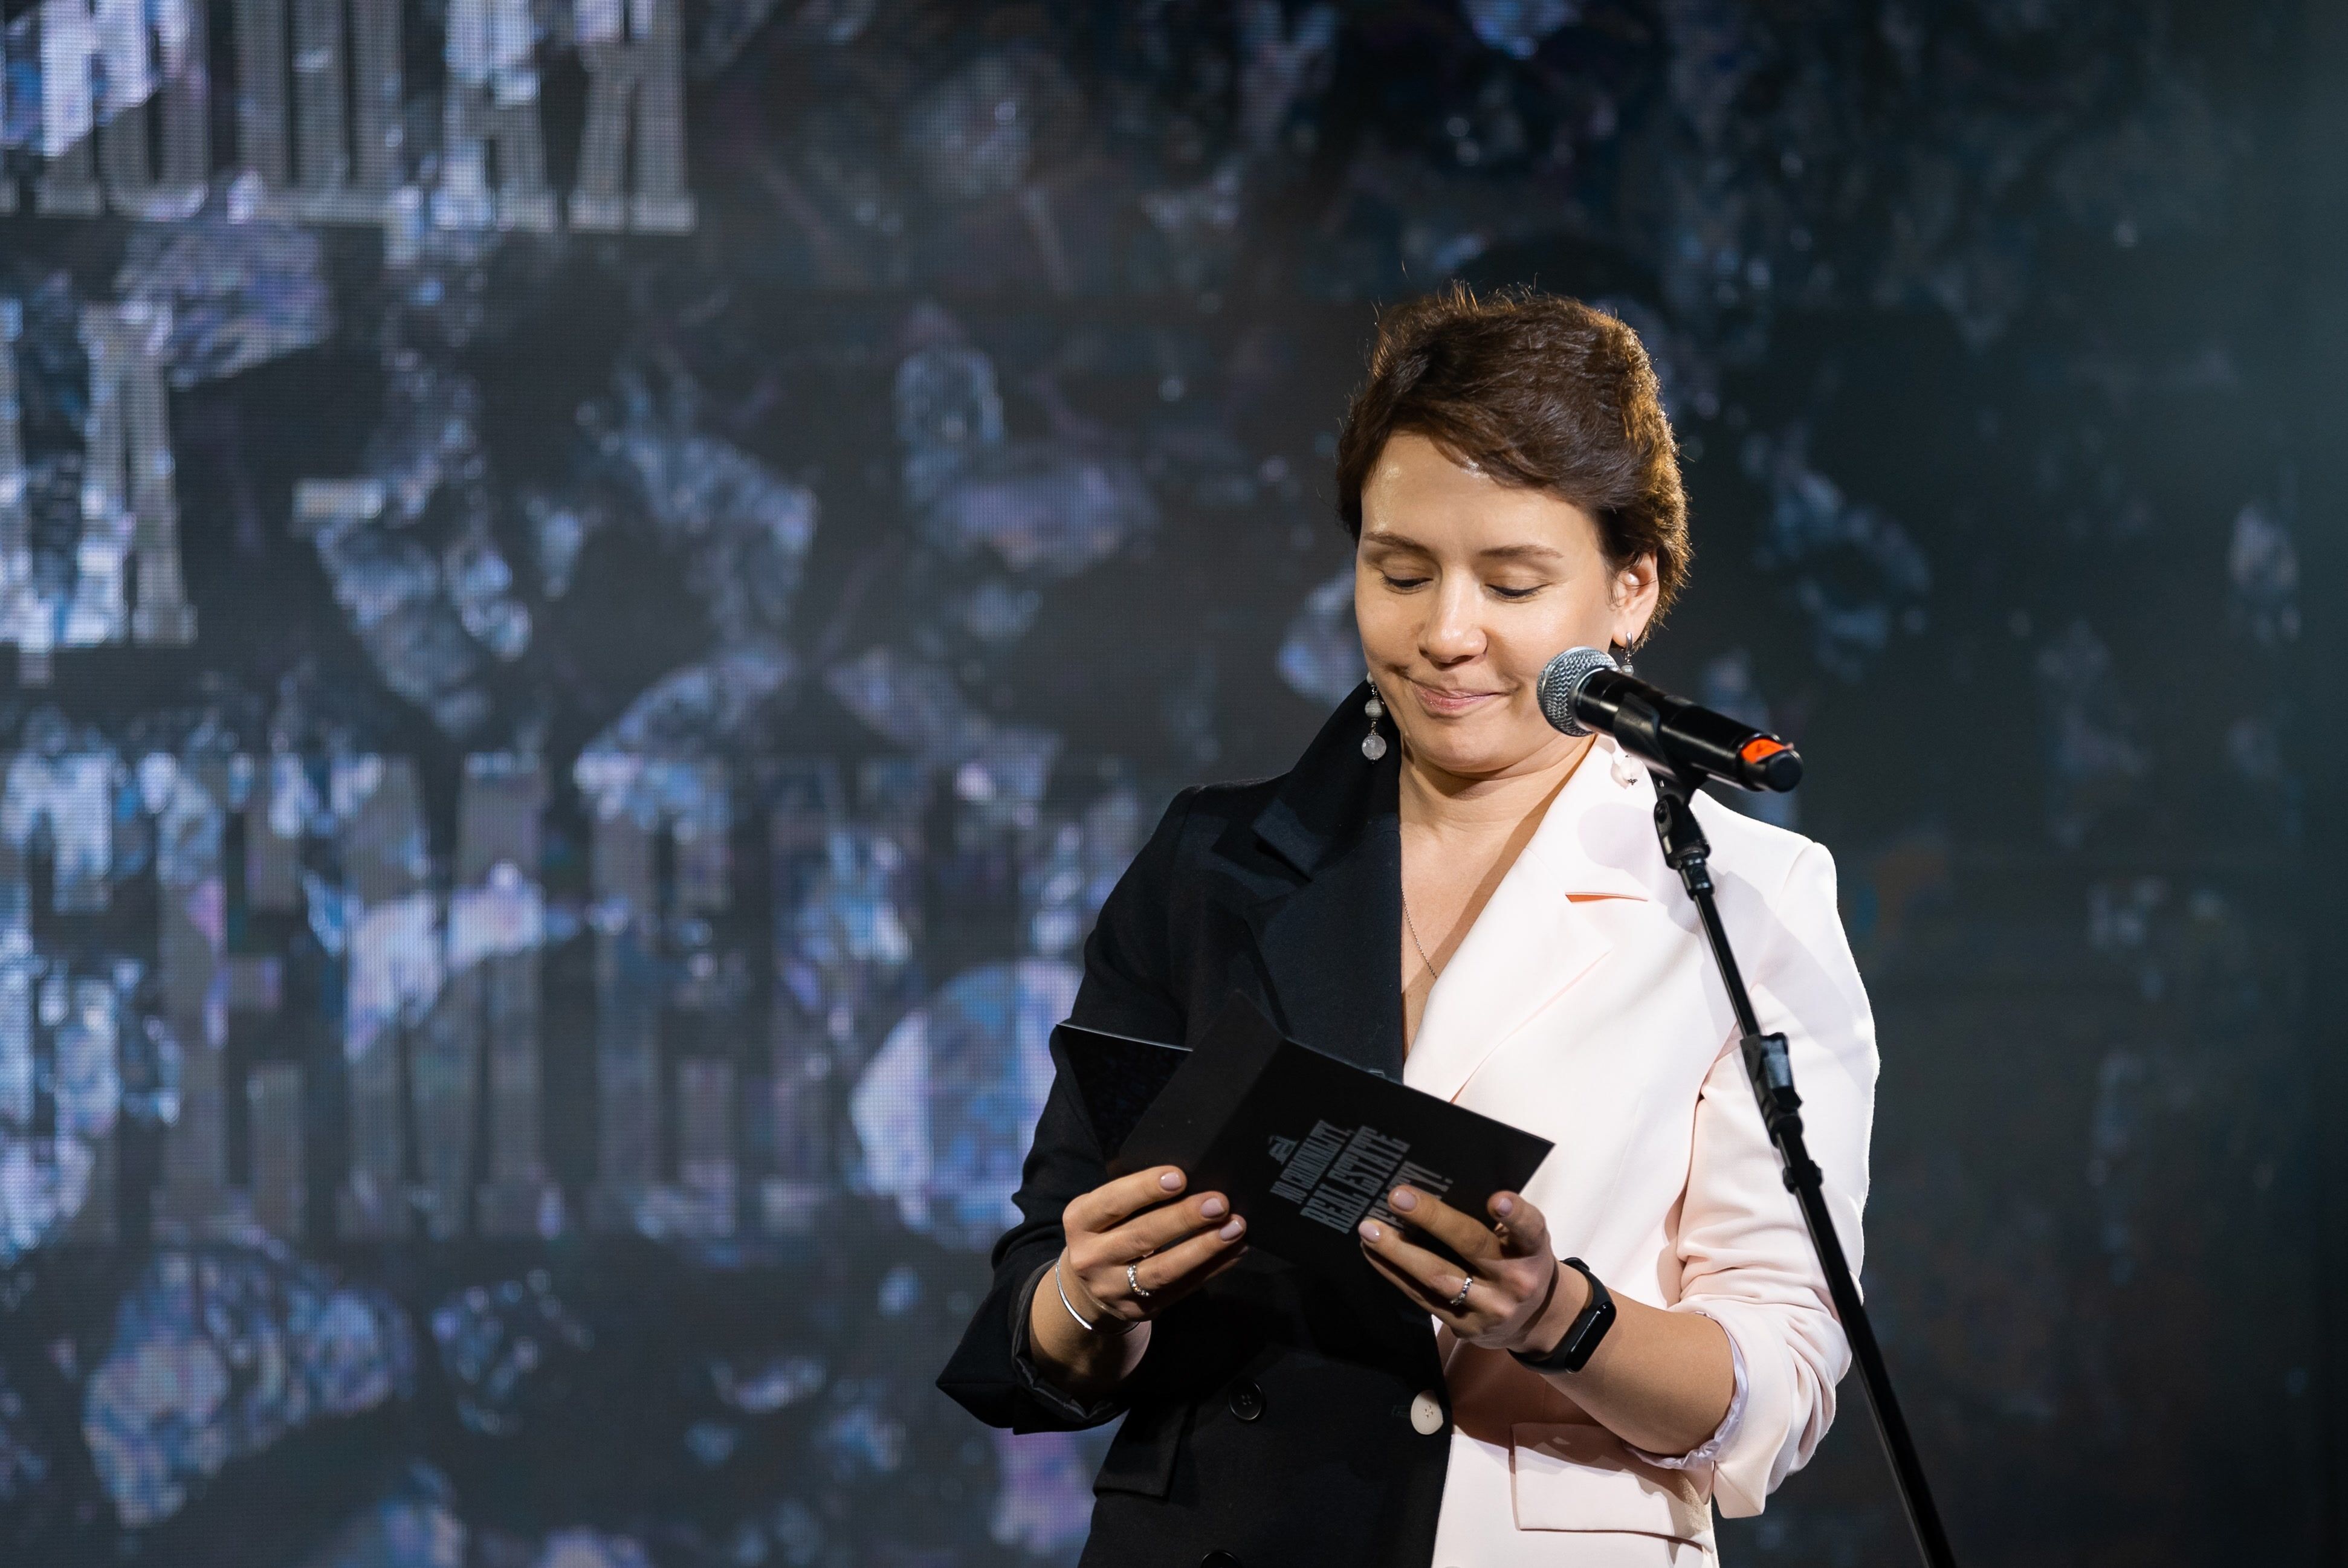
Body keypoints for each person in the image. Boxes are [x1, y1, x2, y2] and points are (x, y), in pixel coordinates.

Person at [938, 286, 1878, 1567]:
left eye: (1512, 582)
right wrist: (1085, 1295)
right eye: (1399, 572)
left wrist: (1560, 1317)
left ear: (1631, 590)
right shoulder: (1212, 862)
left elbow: (1783, 1377)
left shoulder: (1741, 895)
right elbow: (1037, 1297)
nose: (1444, 633)